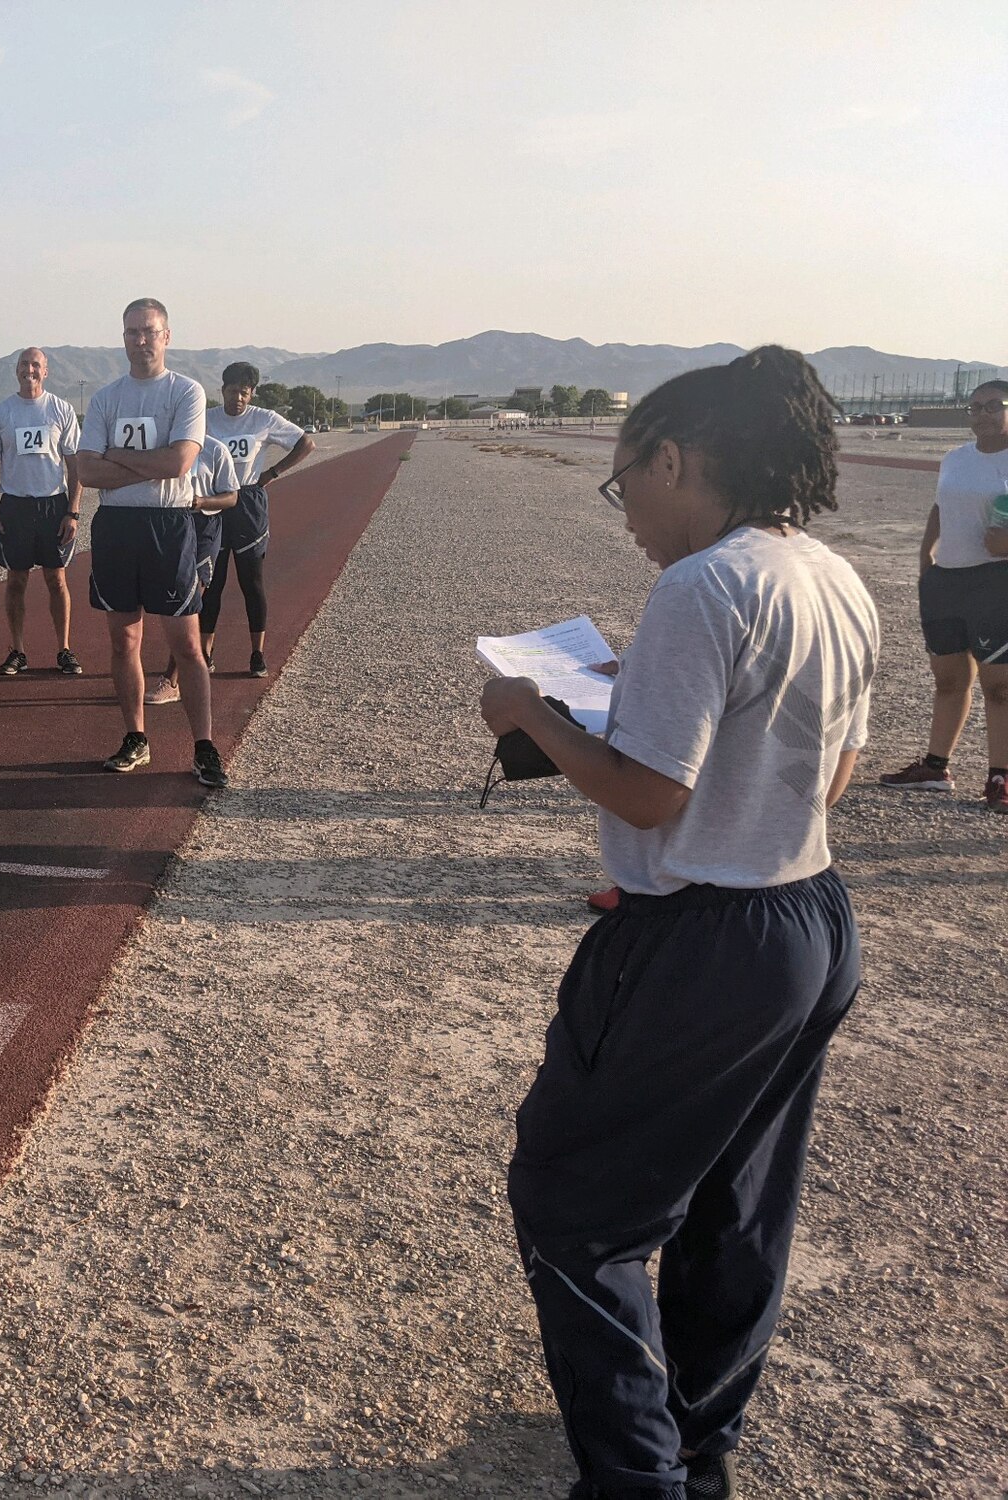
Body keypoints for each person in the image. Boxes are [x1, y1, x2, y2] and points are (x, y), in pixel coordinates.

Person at [478, 347, 878, 1500]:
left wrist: (530, 713)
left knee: (574, 1212)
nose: (629, 519)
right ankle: (698, 1446)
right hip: (805, 918)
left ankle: (634, 1477)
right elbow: (835, 771)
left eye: (625, 487)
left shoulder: (701, 587)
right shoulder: (827, 575)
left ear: (676, 459)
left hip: (698, 942)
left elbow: (651, 796)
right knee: (733, 1203)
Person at [76, 297, 226, 787]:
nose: (140, 340)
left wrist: (117, 459)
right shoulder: (104, 398)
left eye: (149, 331)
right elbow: (86, 469)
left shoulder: (186, 393)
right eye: (131, 333)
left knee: (185, 643)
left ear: (166, 335)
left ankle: (203, 746)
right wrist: (141, 463)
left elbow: (178, 463)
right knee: (124, 640)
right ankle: (135, 738)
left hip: (169, 526)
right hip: (118, 529)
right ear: (123, 338)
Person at [876, 378, 1008, 812]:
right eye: (975, 408)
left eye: (993, 406)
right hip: (946, 582)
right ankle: (936, 768)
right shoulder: (954, 459)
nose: (983, 415)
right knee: (949, 680)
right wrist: (924, 557)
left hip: (996, 581)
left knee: (1000, 687)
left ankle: (1000, 779)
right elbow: (940, 507)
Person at [201, 363, 317, 676]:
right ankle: (204, 654)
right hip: (215, 504)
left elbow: (306, 442)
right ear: (222, 390)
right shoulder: (206, 418)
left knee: (251, 582)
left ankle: (257, 655)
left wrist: (272, 473)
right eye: (232, 390)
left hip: (248, 504)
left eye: (244, 392)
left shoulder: (263, 419)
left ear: (251, 394)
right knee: (211, 583)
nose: (237, 397)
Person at [0, 347, 84, 677]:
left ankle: (64, 649)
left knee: (57, 580)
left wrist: (73, 512)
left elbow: (75, 465)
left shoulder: (60, 409)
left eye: (36, 365)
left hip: (53, 506)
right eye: (25, 364)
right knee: (16, 581)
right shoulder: (1, 414)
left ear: (46, 371)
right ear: (17, 370)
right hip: (15, 507)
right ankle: (18, 651)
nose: (30, 370)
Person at [145, 432, 238, 705]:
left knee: (191, 598)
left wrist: (201, 502)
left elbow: (231, 496)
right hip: (171, 524)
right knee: (168, 600)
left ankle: (172, 680)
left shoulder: (215, 449)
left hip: (204, 527)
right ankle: (189, 664)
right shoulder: (163, 444)